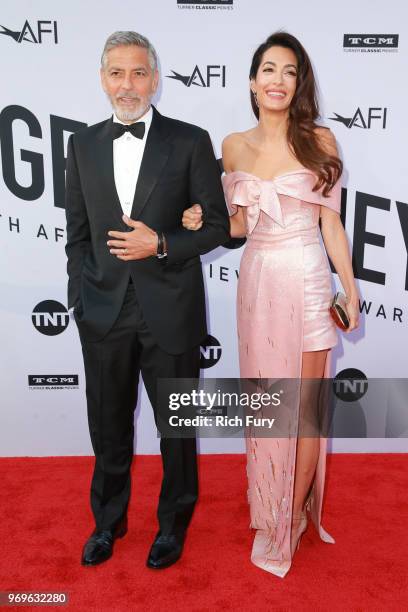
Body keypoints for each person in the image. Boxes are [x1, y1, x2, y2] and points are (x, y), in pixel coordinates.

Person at [182, 31, 359, 577]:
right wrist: (202, 221)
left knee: (304, 412)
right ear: (253, 82)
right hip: (257, 281)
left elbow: (331, 224)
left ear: (298, 83)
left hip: (307, 277)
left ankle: (291, 516)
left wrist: (349, 289)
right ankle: (270, 504)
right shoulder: (232, 145)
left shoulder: (320, 141)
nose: (277, 80)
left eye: (288, 71)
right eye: (268, 69)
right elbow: (238, 225)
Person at [65, 31, 229, 569]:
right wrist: (79, 303)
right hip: (104, 312)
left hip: (171, 310)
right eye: (117, 73)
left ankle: (172, 527)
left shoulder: (189, 141)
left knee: (176, 431)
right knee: (108, 427)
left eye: (138, 73)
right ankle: (107, 524)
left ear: (156, 80)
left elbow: (218, 229)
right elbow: (78, 235)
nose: (127, 84)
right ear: (103, 79)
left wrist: (160, 242)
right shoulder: (83, 144)